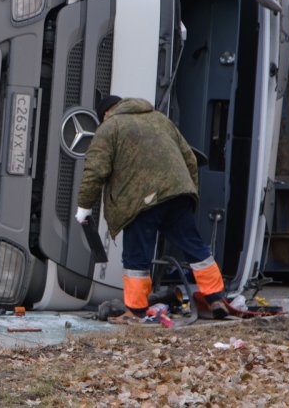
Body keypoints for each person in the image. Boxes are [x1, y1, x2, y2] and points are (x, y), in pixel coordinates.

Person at [75, 95, 228, 323]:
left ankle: (134, 312)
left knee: (137, 258)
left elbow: (95, 172)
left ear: (106, 114)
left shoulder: (109, 128)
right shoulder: (160, 119)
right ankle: (216, 299)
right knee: (195, 247)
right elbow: (190, 158)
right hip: (178, 193)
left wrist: (84, 207)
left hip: (141, 200)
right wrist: (189, 191)